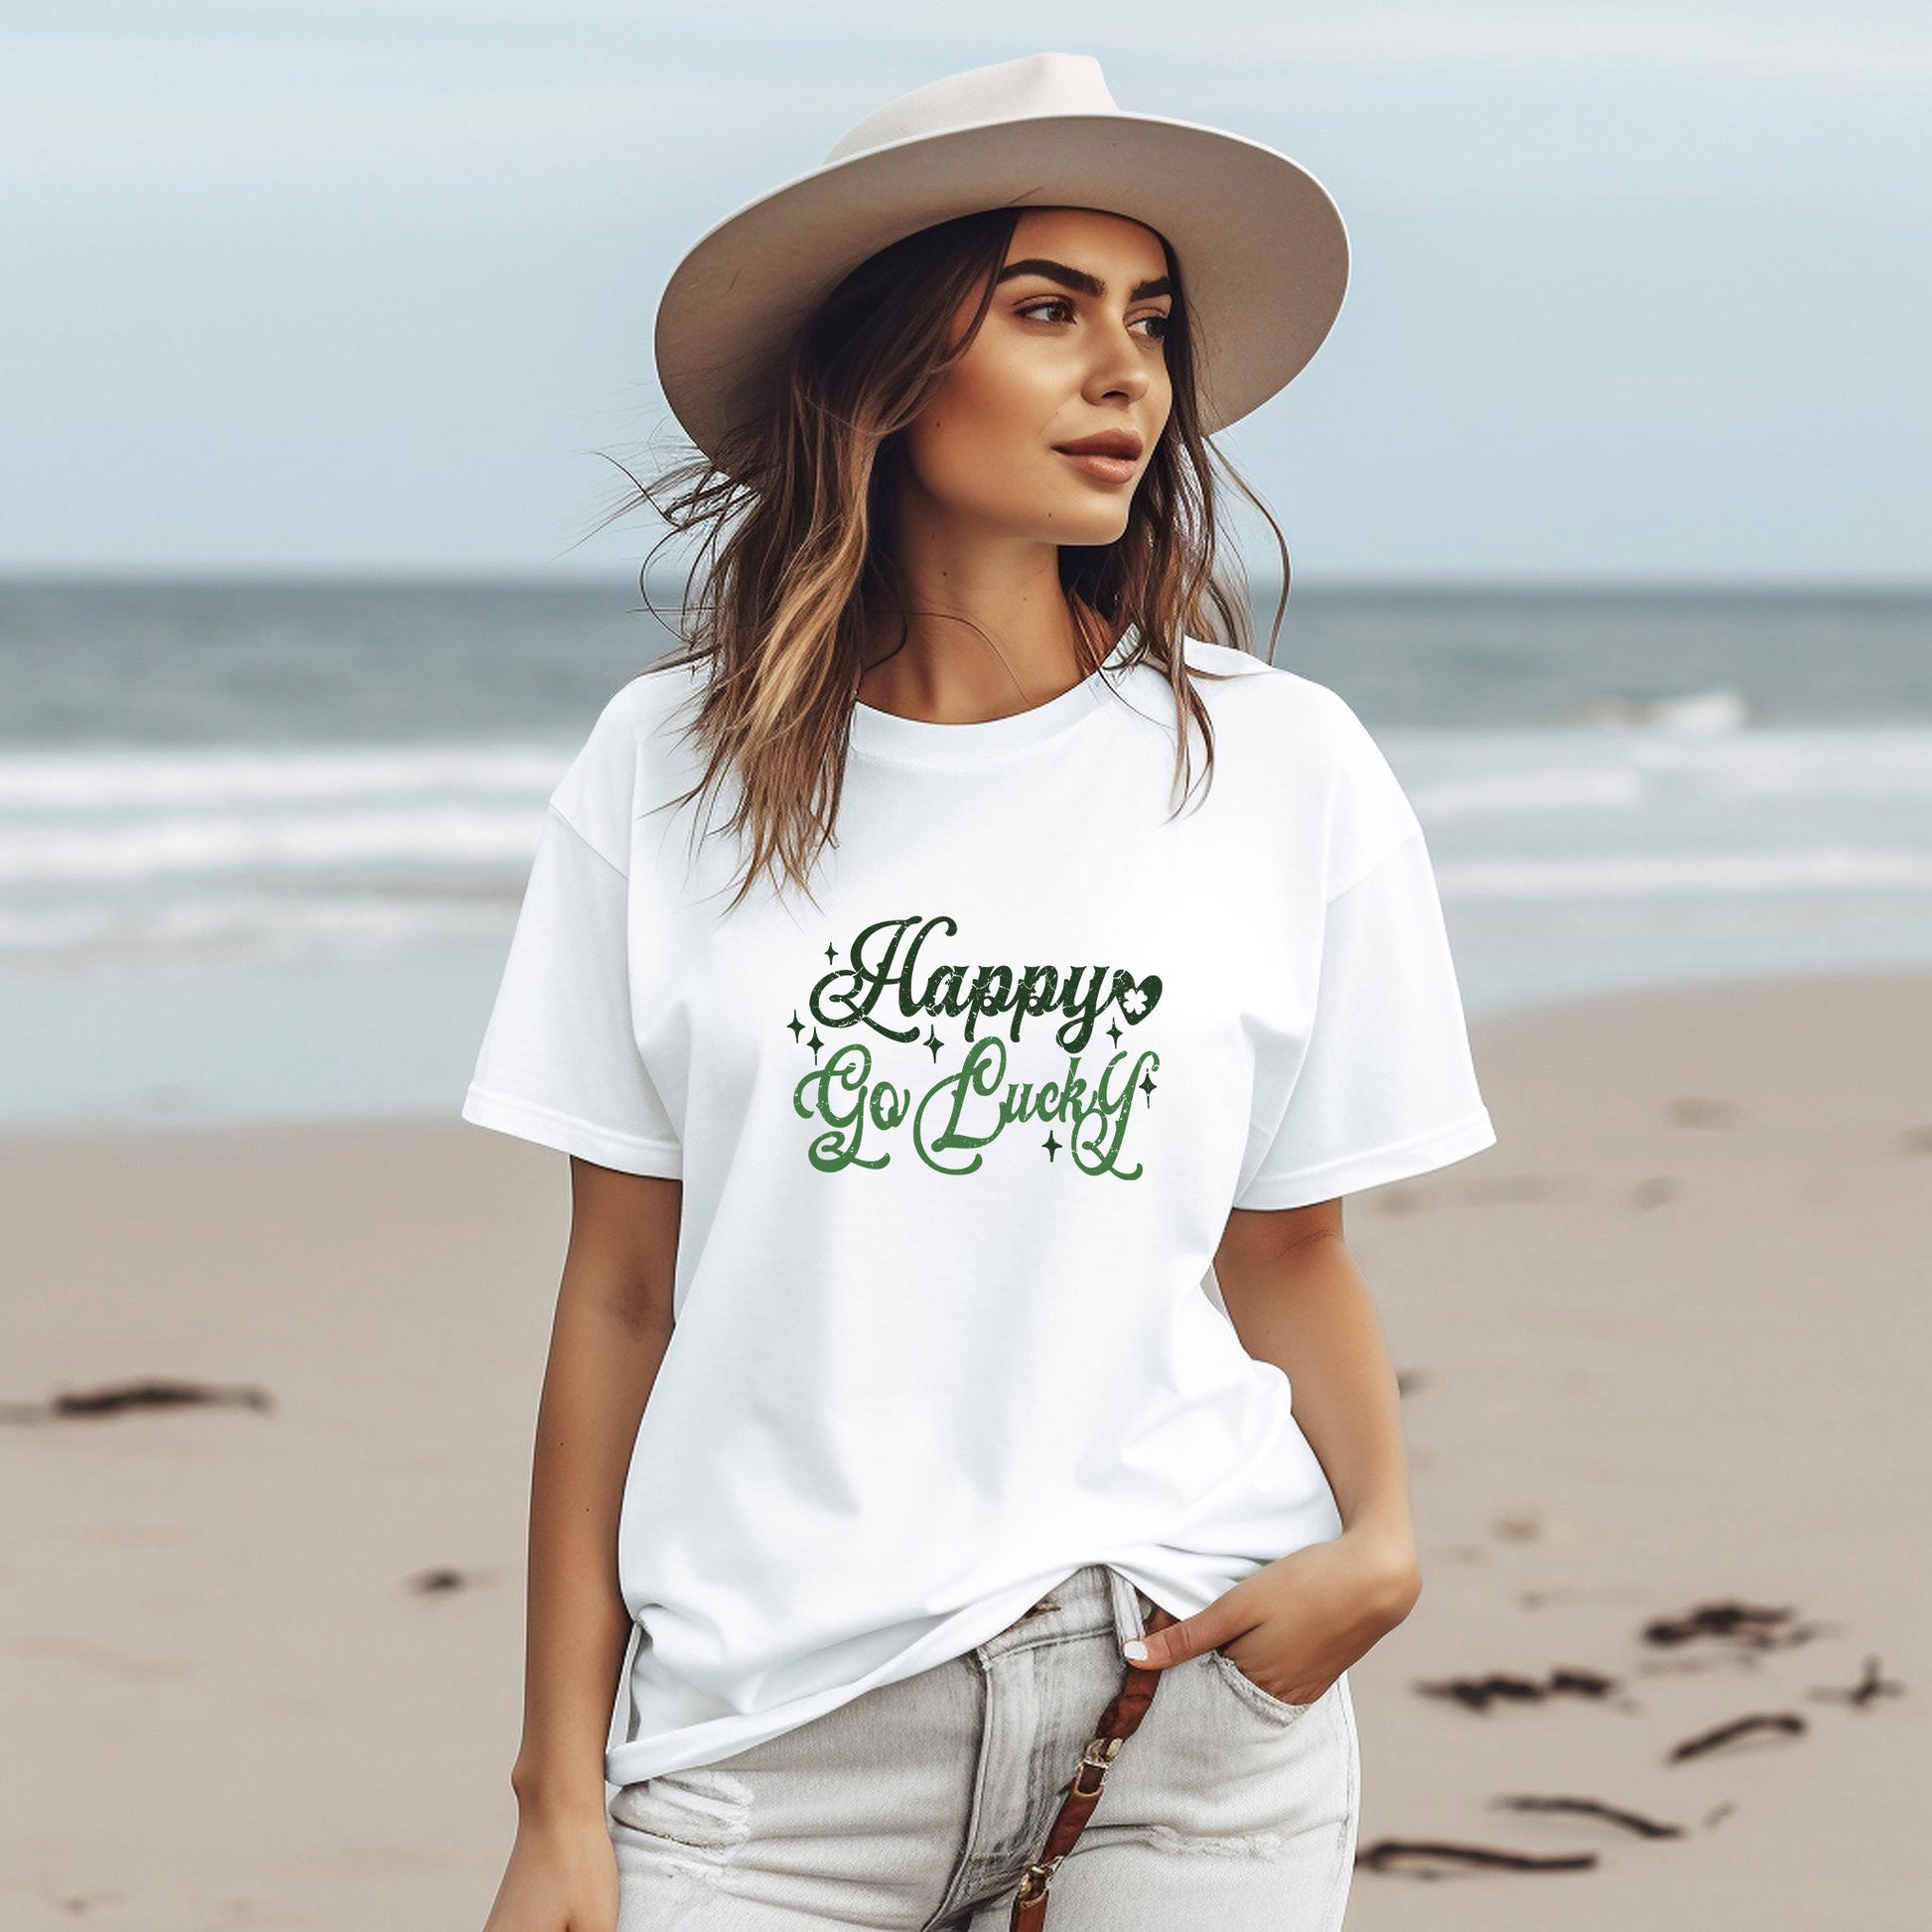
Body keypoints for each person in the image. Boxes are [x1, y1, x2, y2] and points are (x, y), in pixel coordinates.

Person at [464, 51, 1496, 1932]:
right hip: (762, 1742)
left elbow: (1288, 1250)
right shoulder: (663, 769)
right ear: (885, 366)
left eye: (1151, 321)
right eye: (1045, 309)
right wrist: (557, 1795)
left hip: (1183, 1700)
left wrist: (1382, 1545)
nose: (1127, 374)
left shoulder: (1280, 766)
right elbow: (617, 1292)